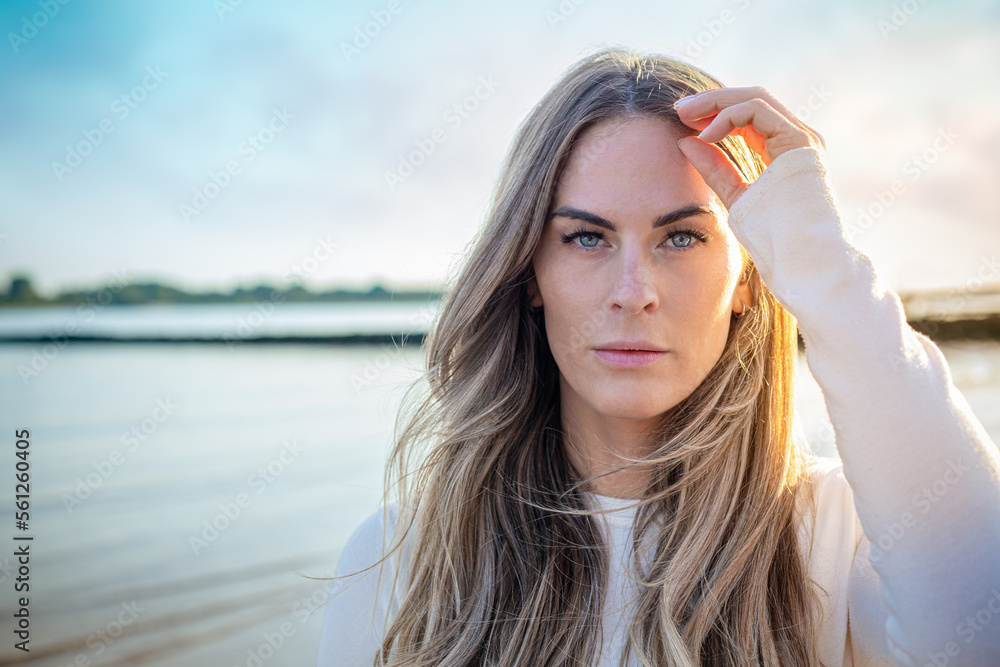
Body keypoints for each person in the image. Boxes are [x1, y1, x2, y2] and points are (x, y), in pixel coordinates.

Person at [315, 48, 1000, 667]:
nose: (633, 293)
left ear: (746, 280)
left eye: (681, 238)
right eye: (587, 238)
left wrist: (819, 260)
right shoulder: (401, 553)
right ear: (529, 272)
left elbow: (978, 634)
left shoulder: (841, 533)